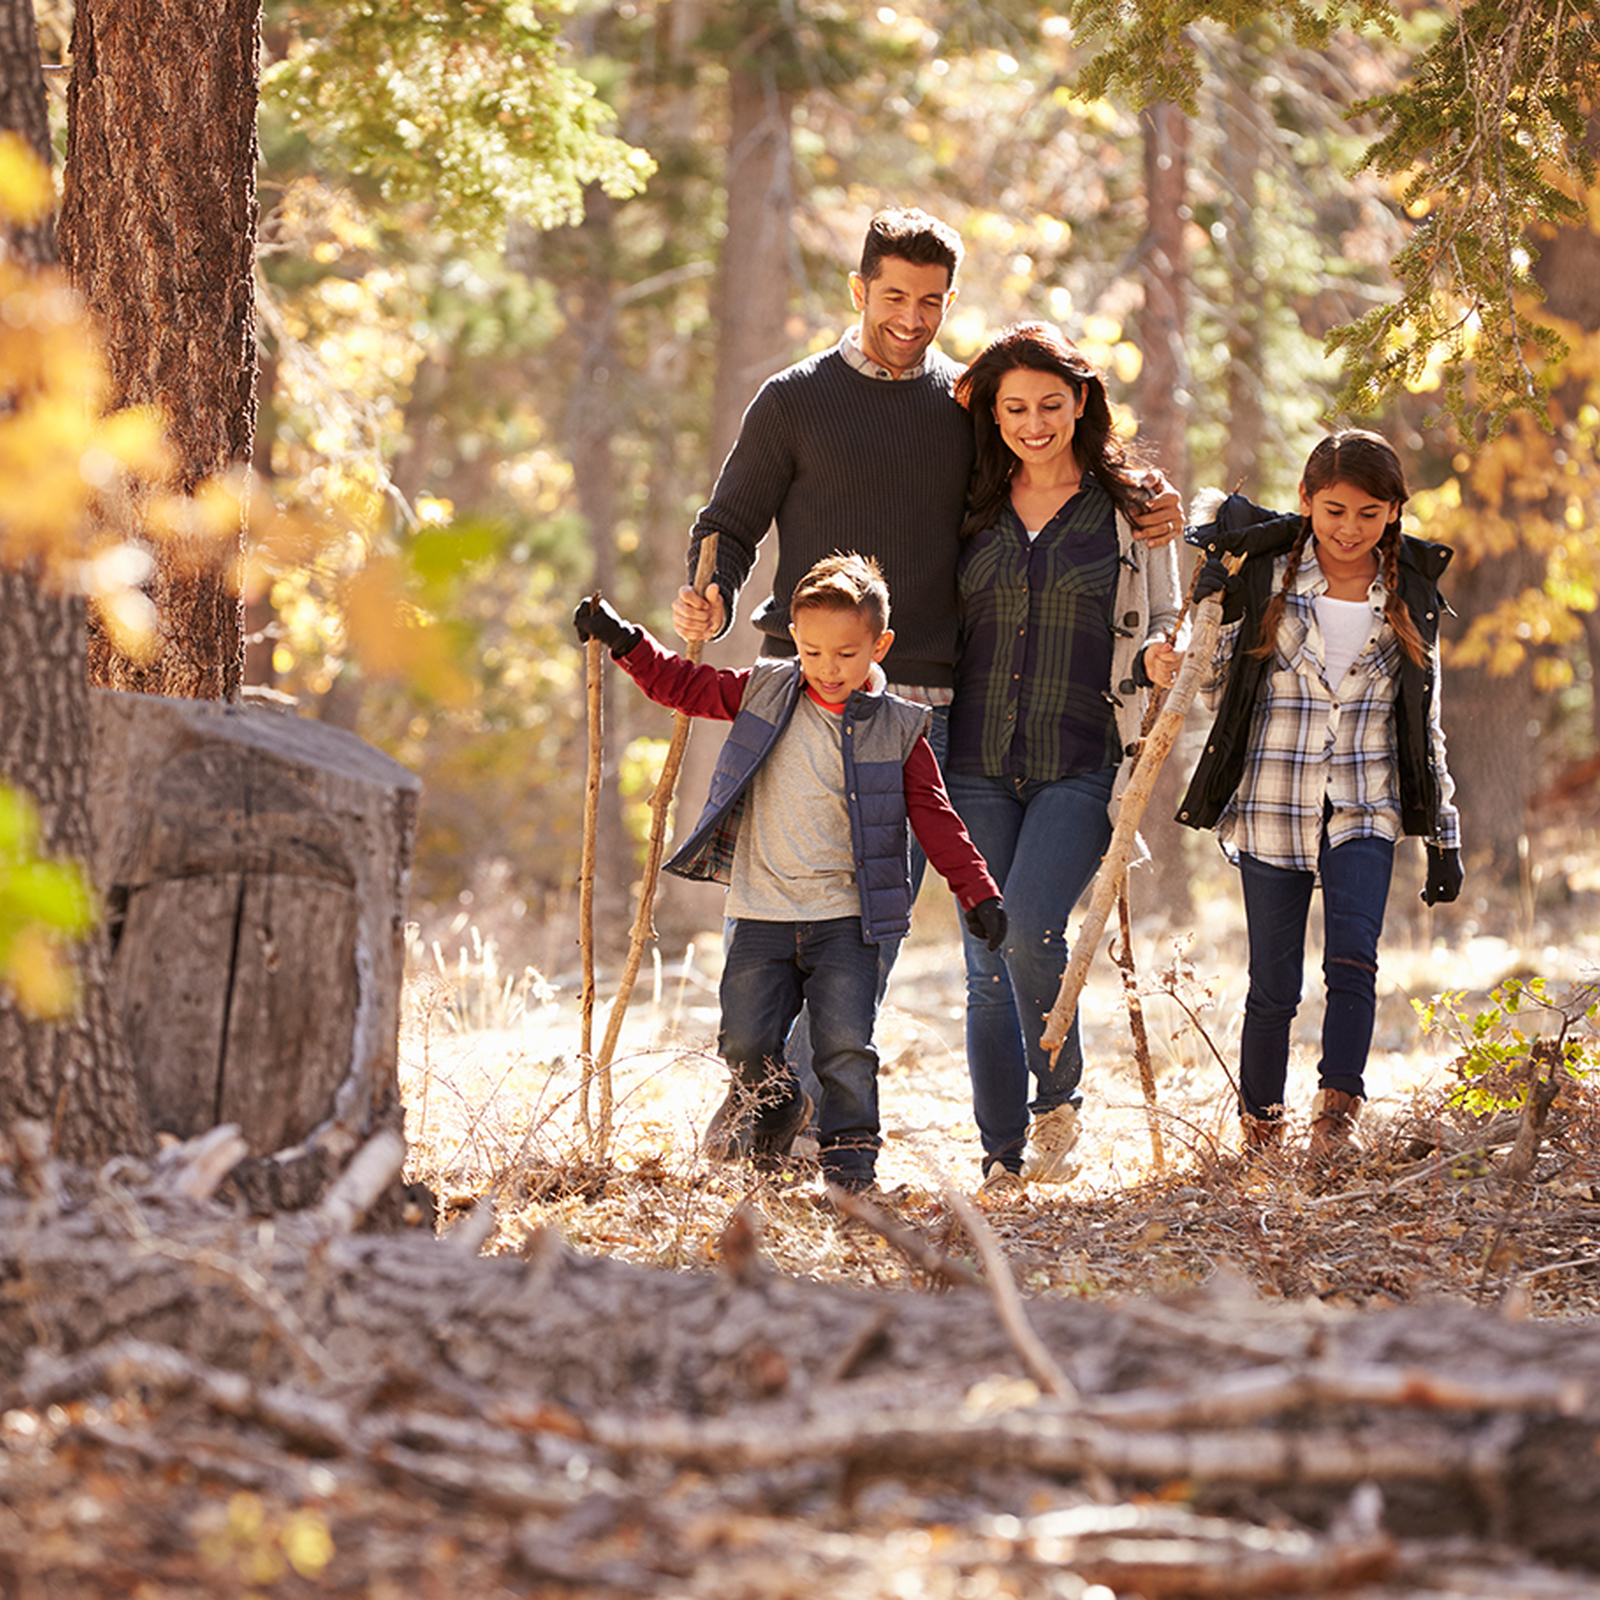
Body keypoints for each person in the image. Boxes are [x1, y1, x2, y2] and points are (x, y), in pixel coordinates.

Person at [672, 206, 1184, 1144]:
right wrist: (706, 589)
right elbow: (730, 523)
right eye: (895, 296)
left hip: (923, 708)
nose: (911, 318)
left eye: (933, 301)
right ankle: (761, 1094)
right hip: (801, 692)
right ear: (858, 289)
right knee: (788, 905)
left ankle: (787, 1114)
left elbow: (1056, 470)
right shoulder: (792, 399)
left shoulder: (964, 407)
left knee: (876, 920)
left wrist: (1150, 501)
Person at [574, 553, 1006, 1197]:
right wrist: (625, 641)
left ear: (879, 645)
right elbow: (684, 685)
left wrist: (977, 890)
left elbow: (935, 817)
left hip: (847, 920)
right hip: (760, 913)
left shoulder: (900, 727)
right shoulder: (766, 691)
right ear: (795, 643)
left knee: (843, 1049)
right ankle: (775, 1107)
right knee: (744, 1041)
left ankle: (852, 1171)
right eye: (812, 652)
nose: (828, 669)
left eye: (846, 654)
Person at [1175, 429, 1463, 1163]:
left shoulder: (1410, 595)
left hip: (1366, 803)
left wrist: (1444, 833)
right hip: (1273, 802)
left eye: (1370, 513)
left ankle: (1336, 1118)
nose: (1349, 528)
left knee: (1354, 962)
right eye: (1334, 510)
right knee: (1273, 983)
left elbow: (1423, 720)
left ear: (1394, 512)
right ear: (1306, 502)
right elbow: (1211, 694)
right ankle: (1261, 1130)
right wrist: (1214, 615)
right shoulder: (1268, 577)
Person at [945, 322, 1184, 1194]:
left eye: (1051, 403)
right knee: (983, 960)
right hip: (971, 759)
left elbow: (1168, 614)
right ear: (996, 414)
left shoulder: (1130, 508)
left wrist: (1163, 652)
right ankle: (1000, 1156)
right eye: (1015, 407)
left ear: (1081, 401)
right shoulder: (968, 498)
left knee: (1032, 925)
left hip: (1082, 758)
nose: (1034, 422)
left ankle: (1057, 1099)